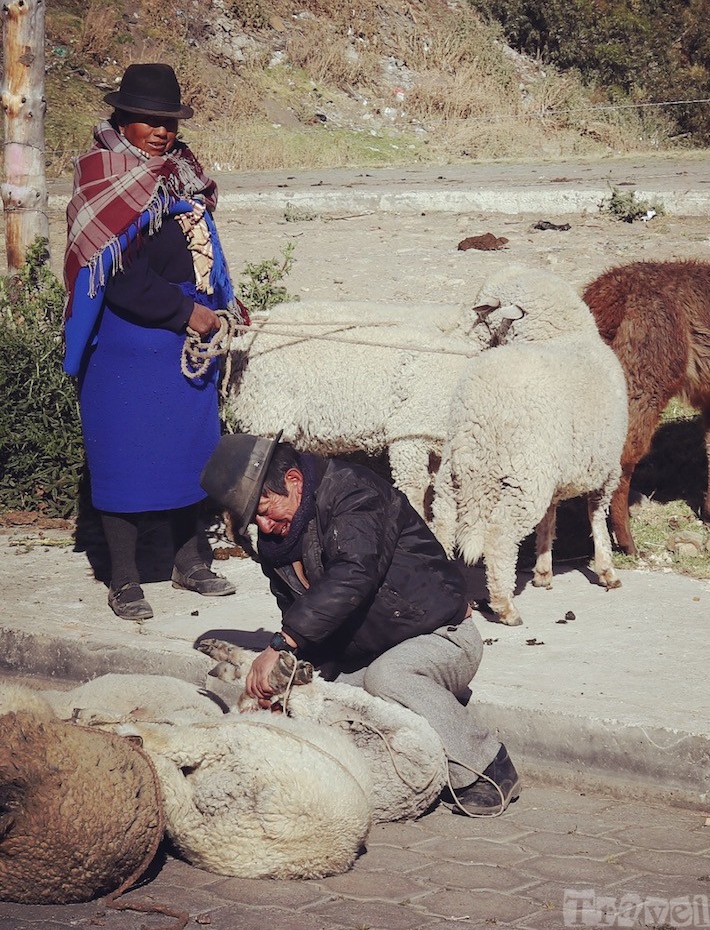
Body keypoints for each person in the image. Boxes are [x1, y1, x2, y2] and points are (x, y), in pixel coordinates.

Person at [200, 433, 521, 817]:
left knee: (389, 677)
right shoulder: (279, 546)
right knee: (313, 698)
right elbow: (308, 622)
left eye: (267, 510)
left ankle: (488, 767)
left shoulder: (354, 493)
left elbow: (353, 574)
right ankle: (431, 711)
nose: (264, 526)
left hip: (441, 637)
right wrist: (294, 679)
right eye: (254, 519)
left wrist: (281, 644)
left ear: (293, 481)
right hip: (370, 651)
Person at [63, 63, 244, 621]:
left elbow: (201, 248)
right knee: (125, 461)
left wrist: (221, 303)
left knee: (190, 453)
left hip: (184, 346)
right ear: (123, 118)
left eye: (167, 120)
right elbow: (117, 276)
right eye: (148, 120)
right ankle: (123, 578)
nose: (160, 131)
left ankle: (189, 561)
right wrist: (186, 311)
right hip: (128, 347)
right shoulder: (105, 174)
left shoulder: (180, 173)